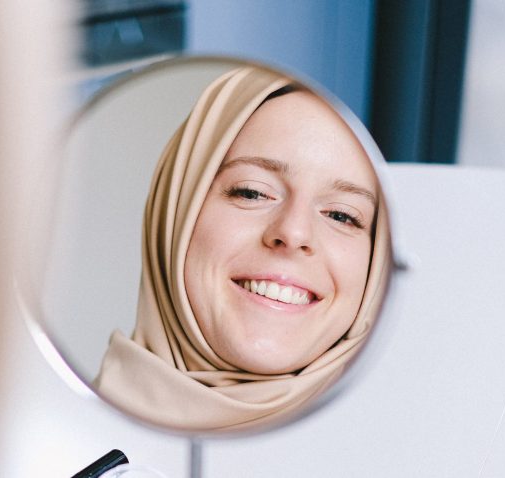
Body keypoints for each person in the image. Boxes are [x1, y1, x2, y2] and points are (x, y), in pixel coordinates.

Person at [94, 66, 391, 431]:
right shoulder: (42, 442)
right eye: (252, 192)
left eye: (342, 215)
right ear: (175, 211)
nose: (294, 232)